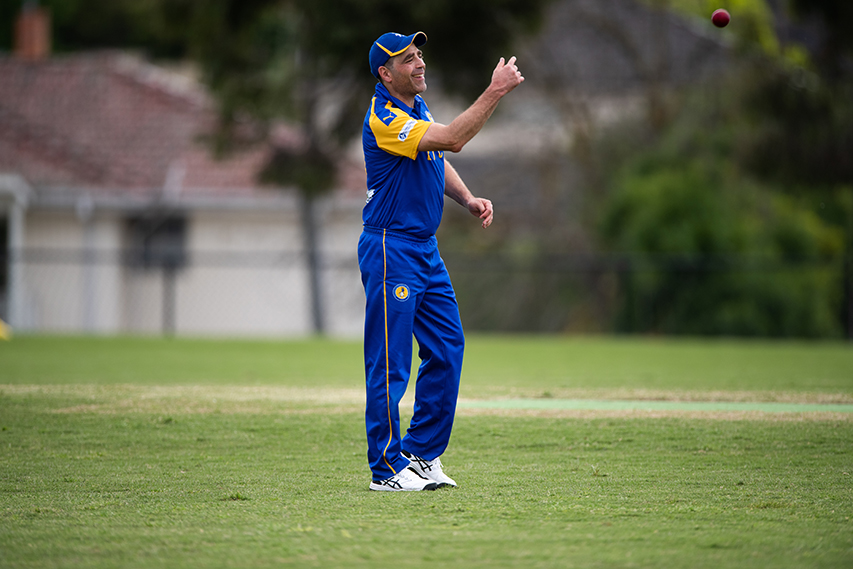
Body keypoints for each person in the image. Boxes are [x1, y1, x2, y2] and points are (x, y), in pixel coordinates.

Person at [359, 31, 524, 491]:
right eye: (407, 60)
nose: (419, 63)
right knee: (390, 362)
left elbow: (435, 155)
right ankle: (386, 471)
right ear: (385, 73)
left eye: (419, 55)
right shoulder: (384, 116)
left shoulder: (416, 108)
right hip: (392, 248)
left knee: (448, 348)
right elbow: (452, 140)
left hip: (423, 250)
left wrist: (467, 198)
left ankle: (419, 455)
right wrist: (495, 90)